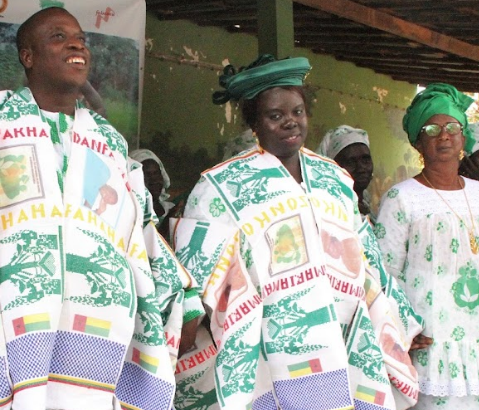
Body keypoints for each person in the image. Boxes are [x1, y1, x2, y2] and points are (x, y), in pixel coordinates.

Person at [0, 7, 194, 410]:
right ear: (28, 56)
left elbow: (141, 234)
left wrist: (185, 305)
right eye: (58, 37)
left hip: (97, 343)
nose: (76, 44)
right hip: (6, 331)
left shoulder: (110, 142)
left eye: (81, 39)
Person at [173, 54, 422, 410]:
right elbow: (197, 262)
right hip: (265, 340)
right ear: (254, 125)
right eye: (275, 116)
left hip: (341, 333)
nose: (290, 123)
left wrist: (399, 318)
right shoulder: (223, 185)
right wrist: (185, 315)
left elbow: (366, 257)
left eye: (297, 112)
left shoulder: (334, 179)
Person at [374, 83, 479, 410]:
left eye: (452, 127)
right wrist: (402, 330)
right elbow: (384, 273)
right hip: (434, 343)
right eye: (432, 129)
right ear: (417, 141)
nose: (444, 136)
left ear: (464, 136)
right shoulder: (402, 199)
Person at [317, 125, 374, 216]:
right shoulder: (329, 213)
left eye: (365, 160)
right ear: (333, 168)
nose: (361, 168)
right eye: (350, 162)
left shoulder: (368, 208)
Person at [129, 149, 173, 221]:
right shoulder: (130, 214)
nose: (154, 180)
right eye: (146, 174)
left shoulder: (171, 209)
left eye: (156, 173)